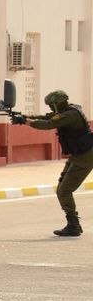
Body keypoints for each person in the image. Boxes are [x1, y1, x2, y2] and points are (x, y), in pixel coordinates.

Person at [12, 90, 93, 236]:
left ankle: (74, 225)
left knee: (64, 191)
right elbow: (47, 117)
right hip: (78, 155)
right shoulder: (68, 111)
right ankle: (73, 224)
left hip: (85, 156)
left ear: (58, 103)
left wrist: (24, 122)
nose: (51, 108)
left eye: (52, 105)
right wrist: (24, 117)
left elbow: (49, 124)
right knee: (61, 188)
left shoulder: (70, 115)